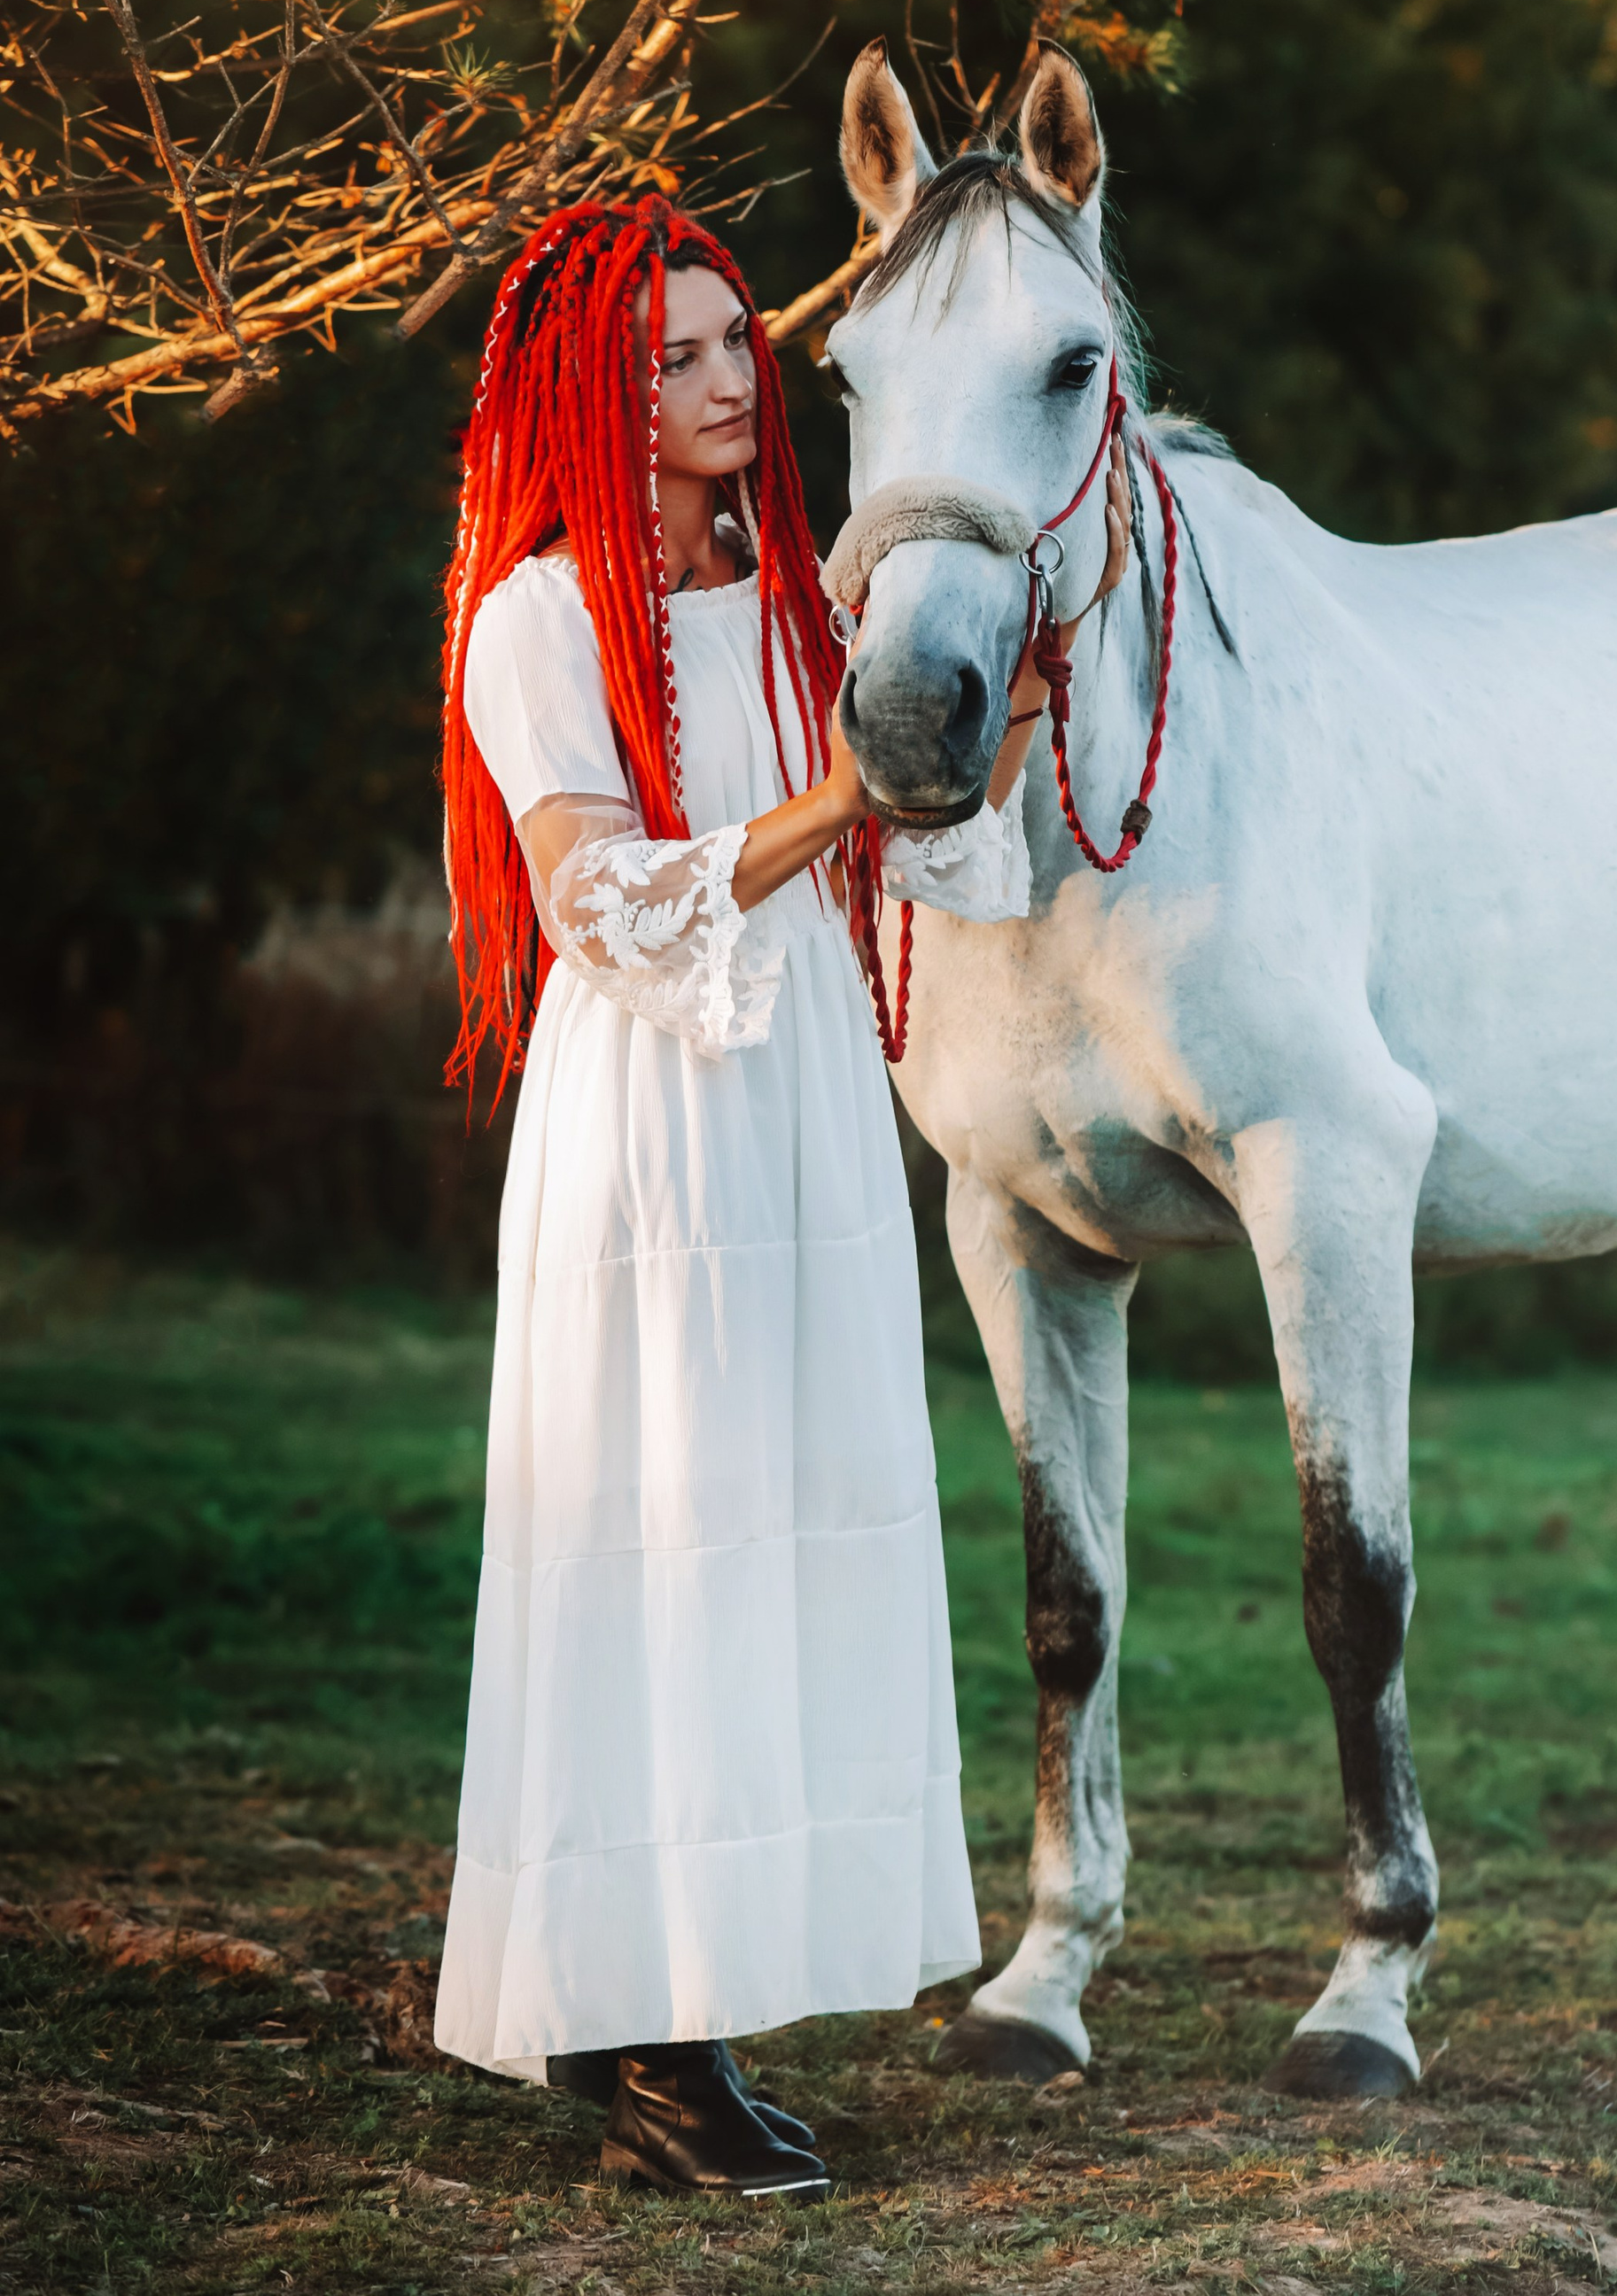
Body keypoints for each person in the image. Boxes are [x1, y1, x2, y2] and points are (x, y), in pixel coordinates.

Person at [429, 196, 1123, 2199]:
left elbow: (923, 866)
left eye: (739, 342)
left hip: (806, 1105)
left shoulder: (802, 601)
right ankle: (648, 2035)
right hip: (654, 1134)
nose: (731, 381)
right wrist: (844, 789)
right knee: (670, 1534)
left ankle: (667, 2001)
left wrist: (971, 737)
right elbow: (604, 899)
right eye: (680, 354)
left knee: (781, 1528)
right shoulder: (537, 622)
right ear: (597, 389)